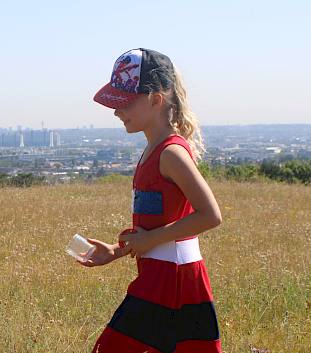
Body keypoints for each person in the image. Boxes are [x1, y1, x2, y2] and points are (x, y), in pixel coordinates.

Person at [79, 48, 223, 353]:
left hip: (174, 281)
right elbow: (155, 231)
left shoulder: (171, 153)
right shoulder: (152, 151)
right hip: (161, 276)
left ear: (156, 99)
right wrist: (117, 251)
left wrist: (150, 240)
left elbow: (210, 215)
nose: (116, 111)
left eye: (125, 102)